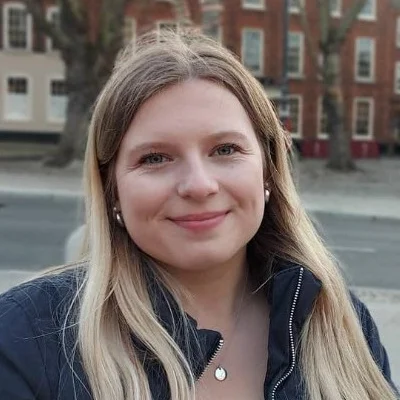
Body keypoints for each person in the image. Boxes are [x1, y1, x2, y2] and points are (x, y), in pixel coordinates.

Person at [0, 31, 398, 400]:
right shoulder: (25, 339)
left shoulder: (338, 321)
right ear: (112, 190)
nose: (199, 185)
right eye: (155, 158)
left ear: (268, 170)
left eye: (225, 149)